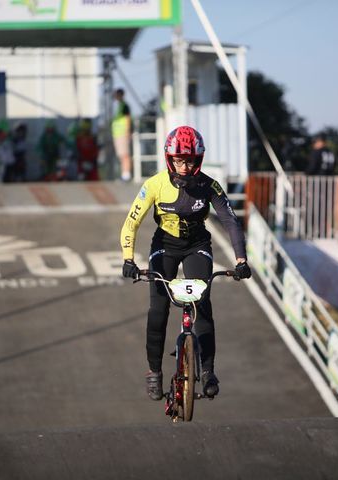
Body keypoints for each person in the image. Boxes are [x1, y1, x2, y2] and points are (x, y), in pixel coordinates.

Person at [119, 126, 252, 401]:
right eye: (179, 160)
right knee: (158, 309)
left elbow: (230, 221)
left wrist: (241, 260)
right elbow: (131, 223)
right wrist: (128, 259)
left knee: (202, 306)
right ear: (169, 159)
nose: (184, 166)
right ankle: (154, 372)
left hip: (197, 247)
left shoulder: (209, 185)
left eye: (190, 160)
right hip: (164, 247)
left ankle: (208, 372)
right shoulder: (154, 185)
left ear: (199, 160)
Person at [112, 88, 132, 181]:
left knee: (125, 154)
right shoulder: (119, 106)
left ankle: (126, 174)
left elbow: (127, 118)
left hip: (123, 133)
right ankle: (124, 173)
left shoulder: (124, 106)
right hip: (118, 134)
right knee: (121, 155)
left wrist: (128, 131)